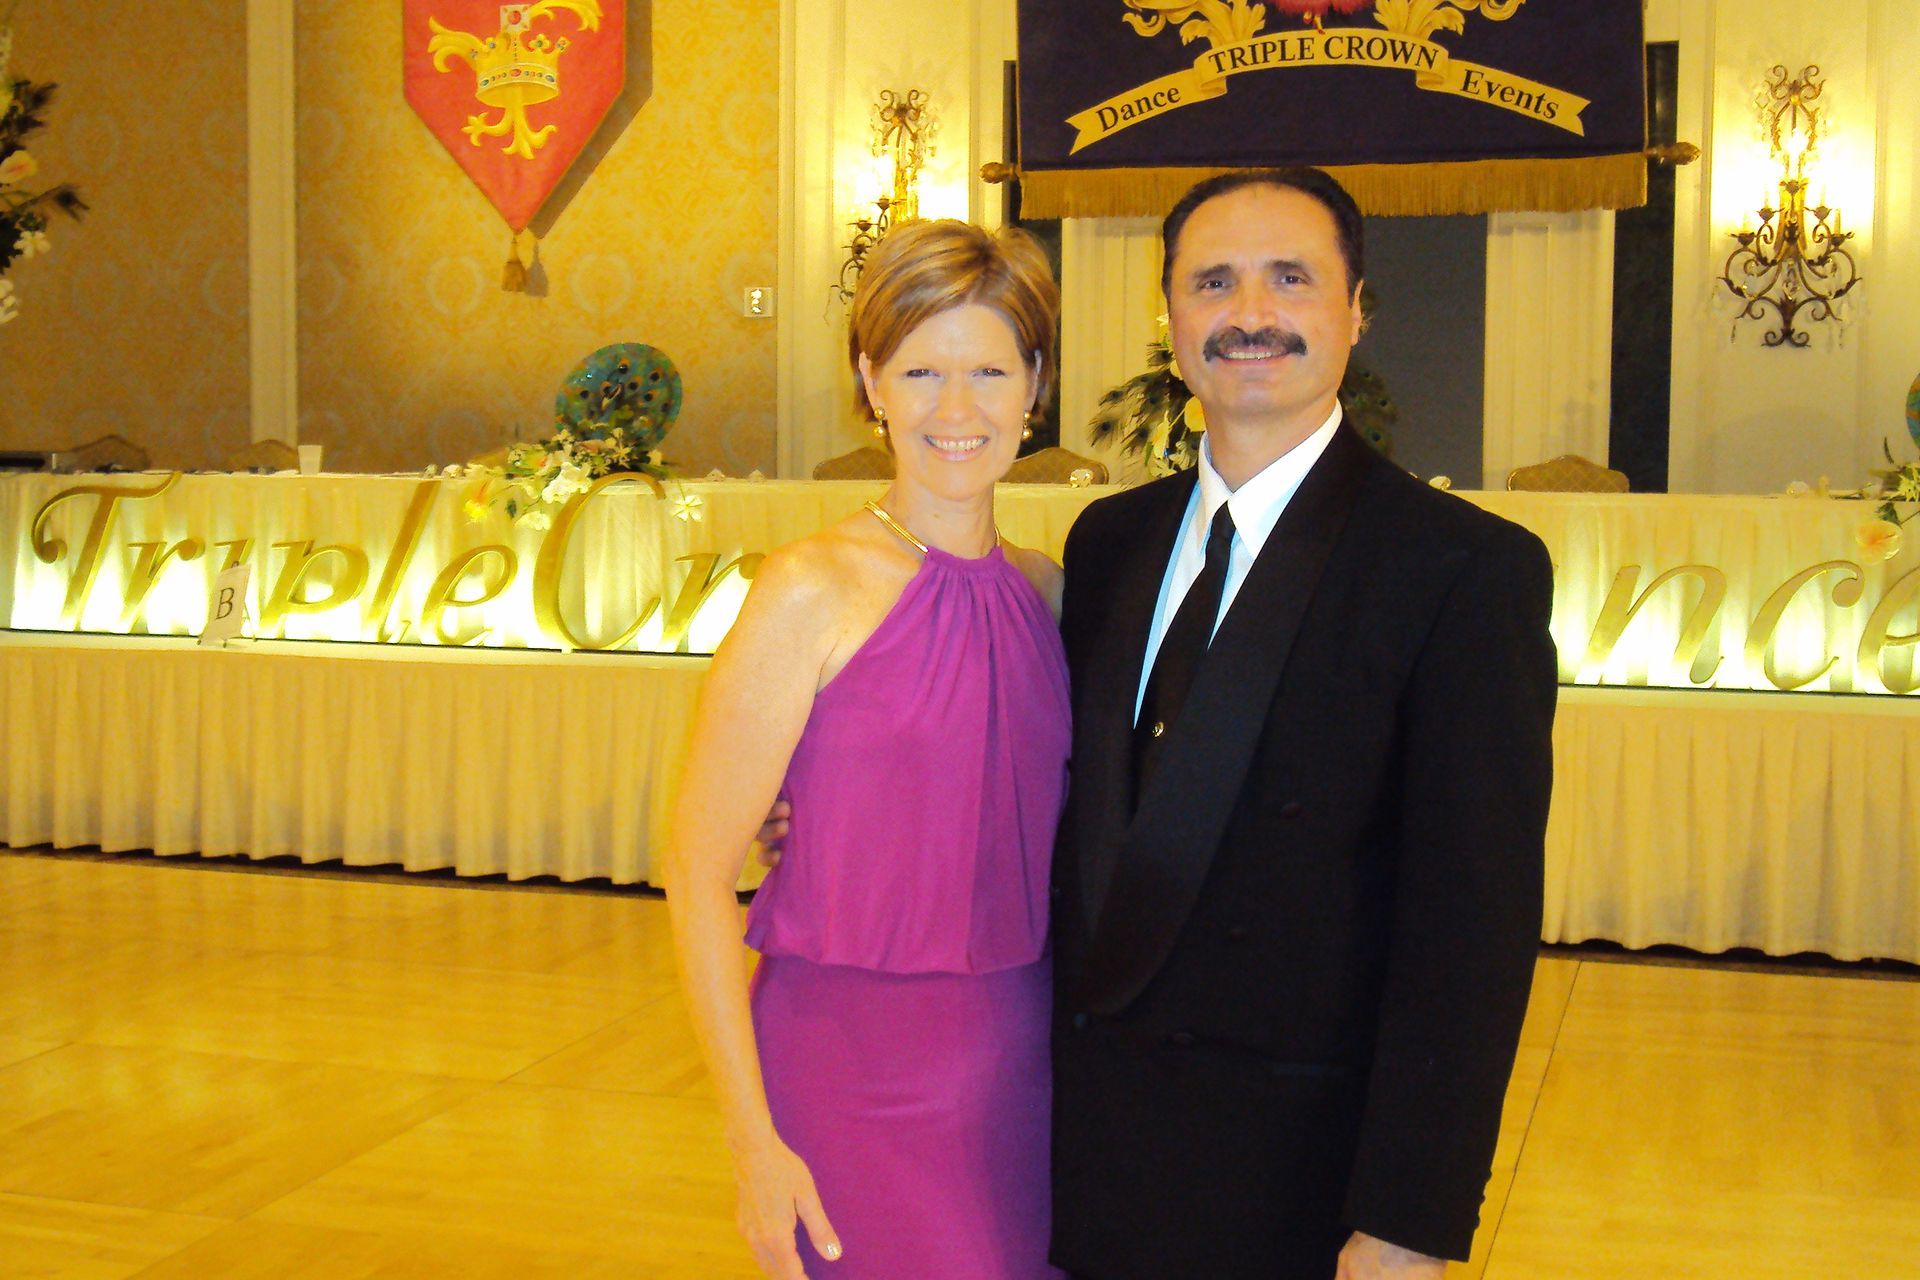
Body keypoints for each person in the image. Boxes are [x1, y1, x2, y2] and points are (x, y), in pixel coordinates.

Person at [1046, 168, 1557, 1280]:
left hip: (1300, 1182)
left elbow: (1472, 927)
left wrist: (1412, 1215)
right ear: (1171, 315)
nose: (1251, 314)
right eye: (1214, 282)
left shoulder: (1463, 569)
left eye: (1292, 278)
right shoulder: (1107, 545)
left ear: (1356, 309)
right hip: (1091, 1152)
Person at [664, 219, 1070, 1280]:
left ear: (1036, 384)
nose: (957, 408)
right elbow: (697, 873)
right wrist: (754, 1143)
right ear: (871, 379)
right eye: (922, 370)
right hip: (849, 1068)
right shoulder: (808, 586)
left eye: (989, 369)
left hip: (1026, 1055)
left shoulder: (1048, 588)